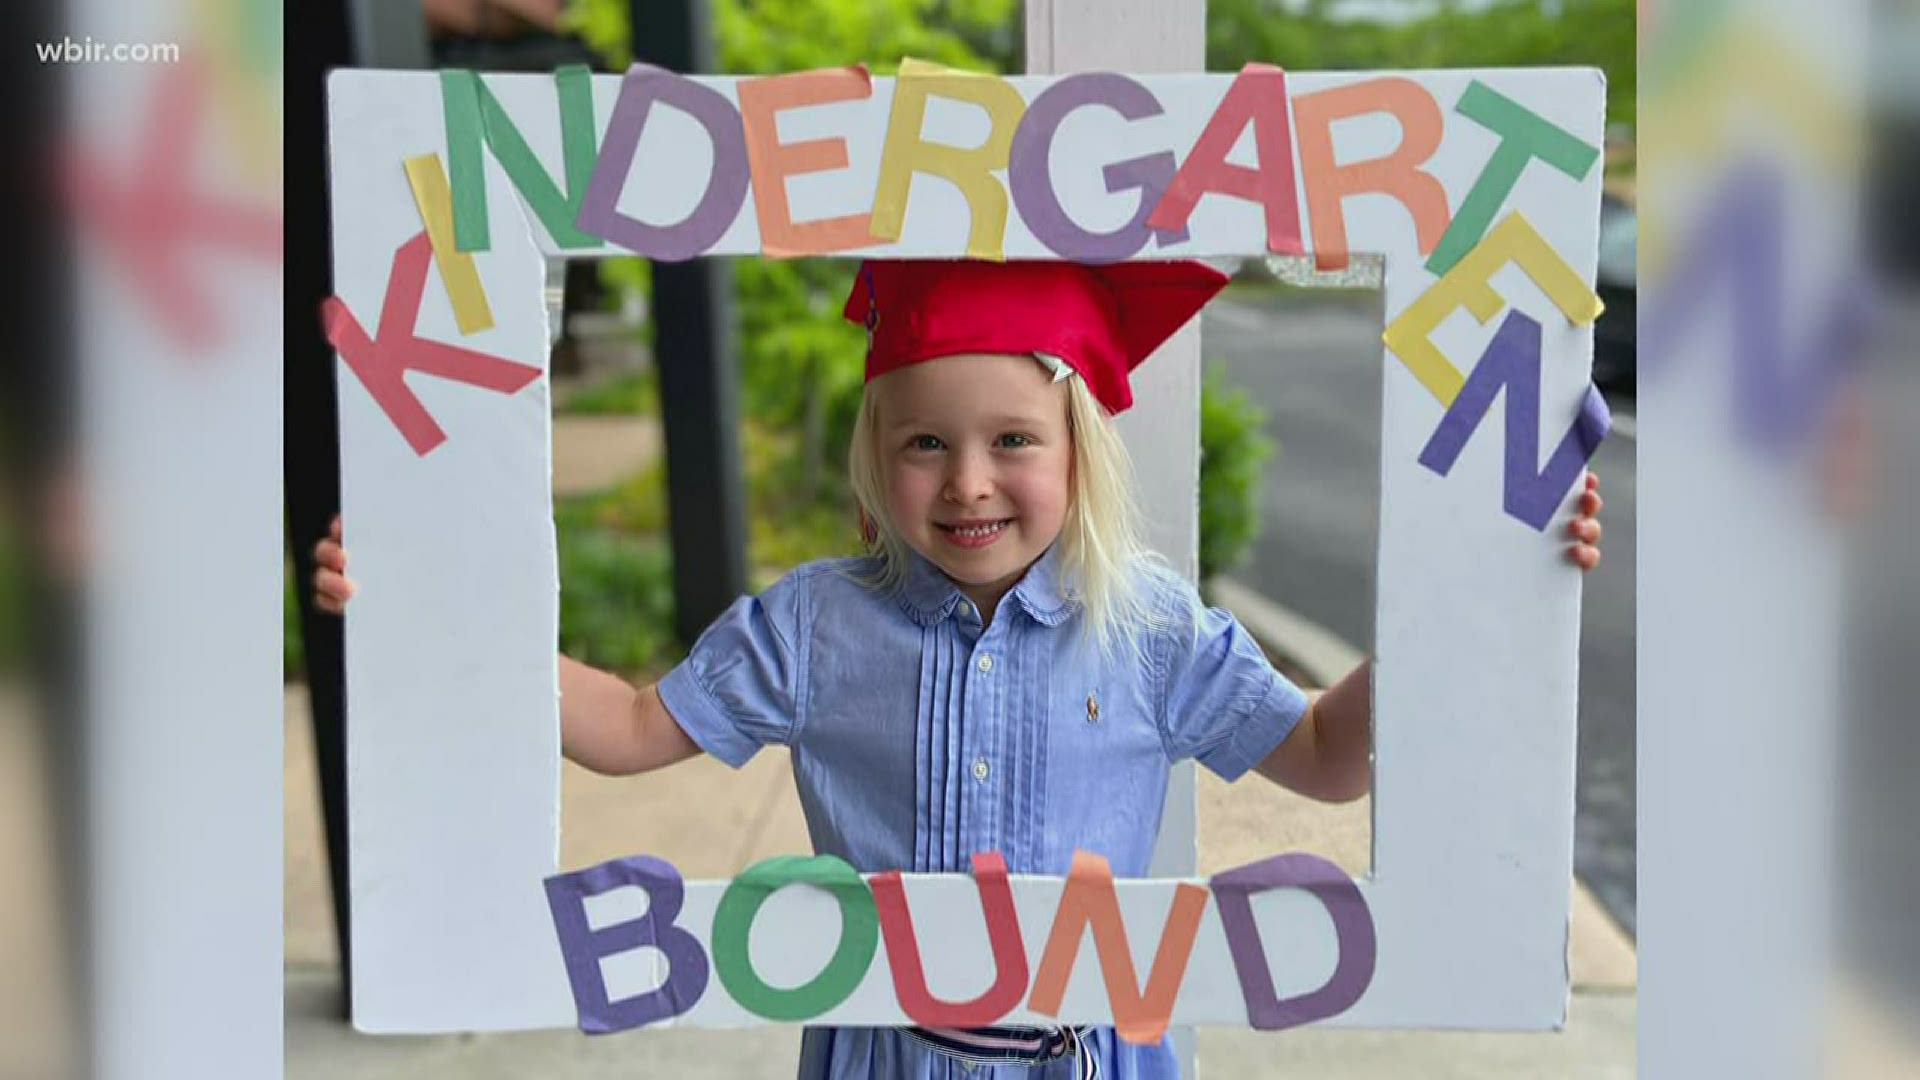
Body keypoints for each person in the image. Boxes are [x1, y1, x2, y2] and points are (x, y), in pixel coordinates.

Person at [314, 258, 1605, 1078]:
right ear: (876, 460)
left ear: (1077, 450)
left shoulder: (1145, 626)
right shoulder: (816, 627)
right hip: (887, 1051)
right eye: (924, 442)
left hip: (1098, 1056)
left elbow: (1324, 761)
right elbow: (632, 727)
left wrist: (1464, 606)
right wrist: (435, 615)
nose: (969, 480)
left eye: (1011, 441)